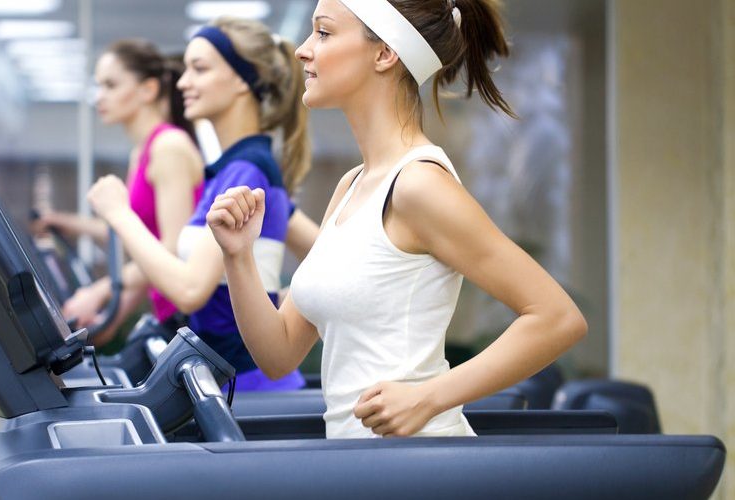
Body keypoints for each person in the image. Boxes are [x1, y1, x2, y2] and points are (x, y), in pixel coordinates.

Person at [206, 0, 587, 437]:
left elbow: (557, 318)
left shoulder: (418, 186)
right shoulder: (351, 186)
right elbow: (278, 355)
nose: (302, 50)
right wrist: (238, 257)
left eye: (324, 33)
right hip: (362, 467)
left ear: (385, 52)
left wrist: (430, 397)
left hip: (420, 465)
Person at [86, 17, 311, 391]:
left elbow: (191, 290)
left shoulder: (248, 170)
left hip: (250, 390)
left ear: (242, 79)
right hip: (225, 383)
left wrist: (119, 213)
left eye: (199, 69)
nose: (183, 82)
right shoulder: (232, 170)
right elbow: (327, 253)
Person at [34, 39, 204, 346]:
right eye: (98, 86)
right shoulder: (143, 151)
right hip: (169, 314)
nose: (100, 97)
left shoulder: (169, 147)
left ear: (148, 90)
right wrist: (112, 317)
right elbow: (143, 241)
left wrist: (100, 293)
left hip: (196, 321)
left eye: (111, 85)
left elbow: (170, 248)